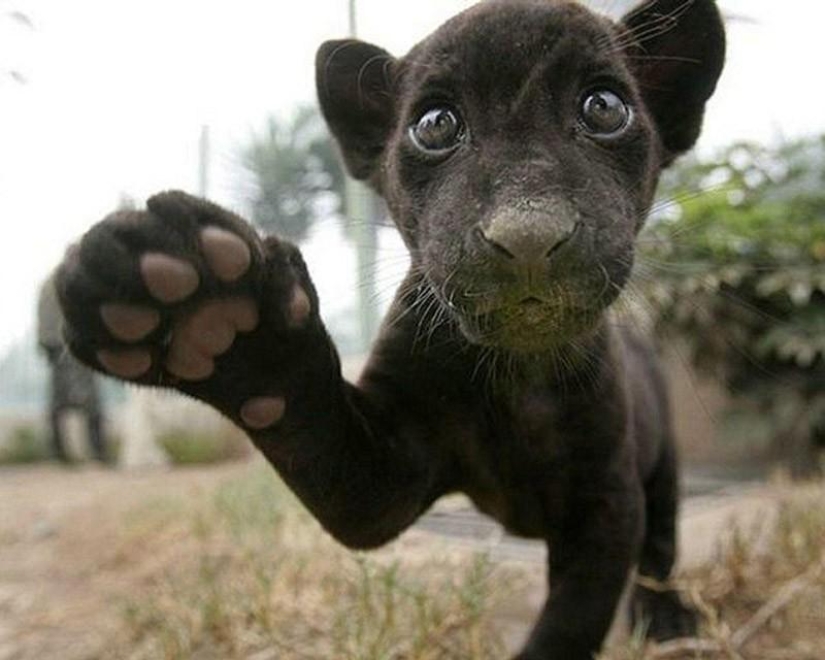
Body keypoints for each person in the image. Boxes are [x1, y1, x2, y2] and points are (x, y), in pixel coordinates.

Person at [37, 272, 107, 462]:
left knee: (60, 402)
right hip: (72, 347)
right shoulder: (70, 279)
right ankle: (97, 452)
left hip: (63, 347)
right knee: (87, 401)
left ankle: (60, 453)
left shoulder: (50, 282)